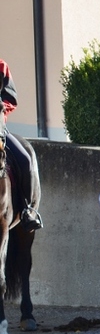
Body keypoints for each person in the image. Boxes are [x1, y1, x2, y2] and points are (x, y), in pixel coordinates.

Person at [1, 59, 41, 231]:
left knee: (25, 160)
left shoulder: (1, 66)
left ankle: (27, 210)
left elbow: (11, 99)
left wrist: (1, 107)